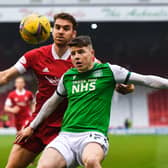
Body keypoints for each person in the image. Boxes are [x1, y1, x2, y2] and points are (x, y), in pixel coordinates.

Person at [2, 13, 133, 168]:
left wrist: (127, 87)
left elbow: (112, 78)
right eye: (57, 27)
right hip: (38, 124)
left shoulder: (85, 60)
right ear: (51, 30)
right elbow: (5, 76)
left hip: (68, 129)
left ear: (73, 33)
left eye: (66, 28)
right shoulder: (34, 56)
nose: (60, 32)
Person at [16, 35, 168, 168]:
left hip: (93, 135)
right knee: (44, 165)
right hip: (66, 135)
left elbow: (147, 80)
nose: (76, 57)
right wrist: (32, 127)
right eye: (73, 54)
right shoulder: (68, 76)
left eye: (81, 52)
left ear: (92, 53)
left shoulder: (109, 71)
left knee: (91, 161)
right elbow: (51, 103)